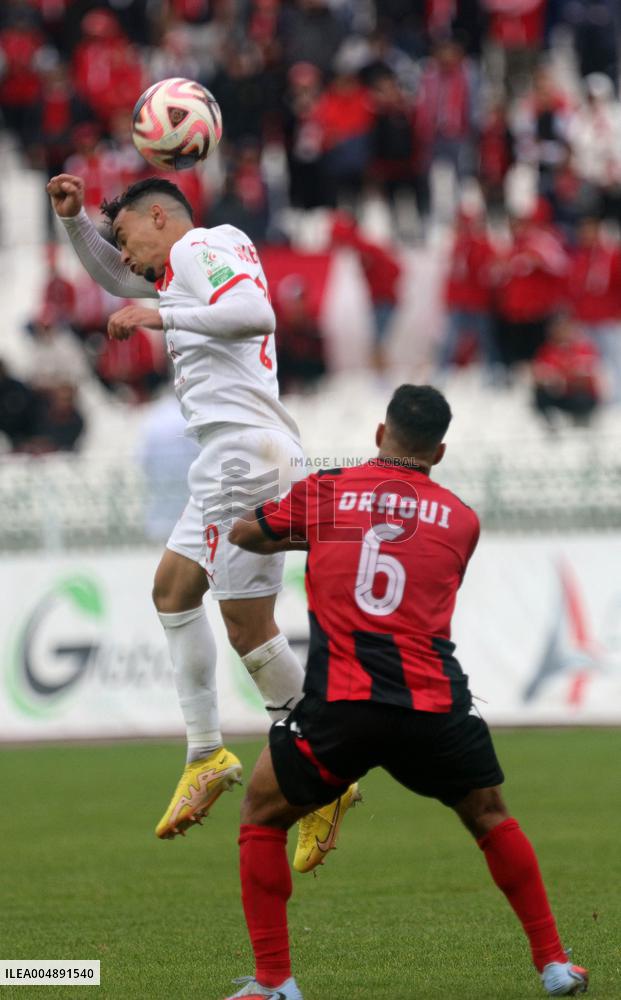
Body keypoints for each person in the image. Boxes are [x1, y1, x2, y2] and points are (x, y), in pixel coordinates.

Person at [226, 384, 589, 1000]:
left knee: (261, 818)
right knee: (490, 818)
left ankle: (274, 983)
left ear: (378, 432)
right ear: (439, 453)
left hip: (343, 707)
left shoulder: (326, 492)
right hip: (434, 705)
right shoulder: (463, 518)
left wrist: (315, 532)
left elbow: (244, 534)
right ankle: (554, 963)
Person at [47, 173, 354, 860]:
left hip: (243, 455)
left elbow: (254, 314)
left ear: (160, 217)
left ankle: (323, 771)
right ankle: (206, 753)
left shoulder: (199, 249)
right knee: (173, 588)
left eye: (126, 237)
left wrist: (163, 317)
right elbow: (125, 281)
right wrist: (74, 223)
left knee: (248, 627)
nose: (124, 258)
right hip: (228, 454)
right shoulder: (191, 260)